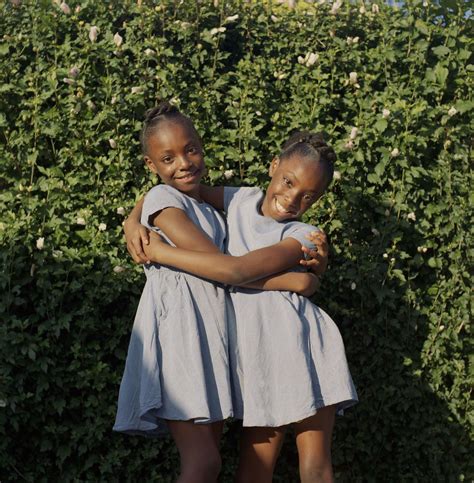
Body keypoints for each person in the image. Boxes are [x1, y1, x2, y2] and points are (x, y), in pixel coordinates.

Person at [113, 102, 326, 483]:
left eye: (191, 149)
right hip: (181, 337)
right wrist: (293, 280)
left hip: (211, 341)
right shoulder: (166, 200)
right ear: (152, 166)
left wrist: (133, 215)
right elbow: (225, 268)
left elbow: (226, 268)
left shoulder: (213, 207)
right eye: (168, 157)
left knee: (208, 464)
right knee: (203, 464)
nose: (184, 162)